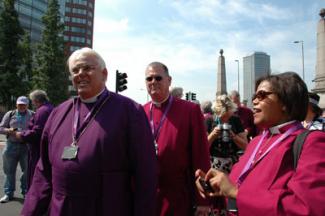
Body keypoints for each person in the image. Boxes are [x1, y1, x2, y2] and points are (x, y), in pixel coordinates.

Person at [21, 48, 157, 215]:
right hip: (61, 209)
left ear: (104, 73)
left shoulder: (129, 111)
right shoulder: (58, 113)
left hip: (107, 208)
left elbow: (146, 174)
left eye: (87, 68)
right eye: (75, 70)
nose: (80, 74)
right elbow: (43, 172)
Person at [196, 72, 325, 215]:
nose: (254, 102)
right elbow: (234, 192)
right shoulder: (257, 141)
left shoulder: (312, 142)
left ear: (285, 102)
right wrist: (214, 188)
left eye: (262, 96)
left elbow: (306, 209)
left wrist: (236, 193)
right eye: (254, 97)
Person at [143, 62, 211, 215]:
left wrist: (203, 200)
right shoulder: (140, 111)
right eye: (149, 79)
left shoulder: (190, 110)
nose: (153, 82)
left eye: (158, 78)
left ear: (169, 80)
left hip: (179, 197)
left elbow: (201, 156)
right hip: (147, 197)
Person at [14, 90, 54, 189]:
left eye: (32, 101)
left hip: (38, 149)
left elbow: (38, 132)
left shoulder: (42, 111)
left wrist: (22, 135)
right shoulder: (50, 108)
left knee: (36, 177)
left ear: (36, 100)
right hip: (46, 147)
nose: (32, 103)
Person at [0, 96, 34, 203]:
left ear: (27, 105)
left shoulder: (33, 115)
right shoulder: (10, 114)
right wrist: (8, 130)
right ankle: (8, 193)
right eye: (19, 104)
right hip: (11, 145)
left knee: (27, 171)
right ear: (16, 104)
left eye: (24, 104)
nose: (21, 106)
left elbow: (36, 129)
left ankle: (26, 193)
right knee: (9, 171)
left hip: (26, 146)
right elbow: (1, 128)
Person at [208, 95, 248, 173]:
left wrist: (234, 136)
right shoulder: (209, 121)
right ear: (217, 112)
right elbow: (203, 147)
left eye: (228, 116)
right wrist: (212, 135)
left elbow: (246, 146)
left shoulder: (235, 120)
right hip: (214, 164)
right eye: (222, 117)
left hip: (233, 163)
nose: (225, 119)